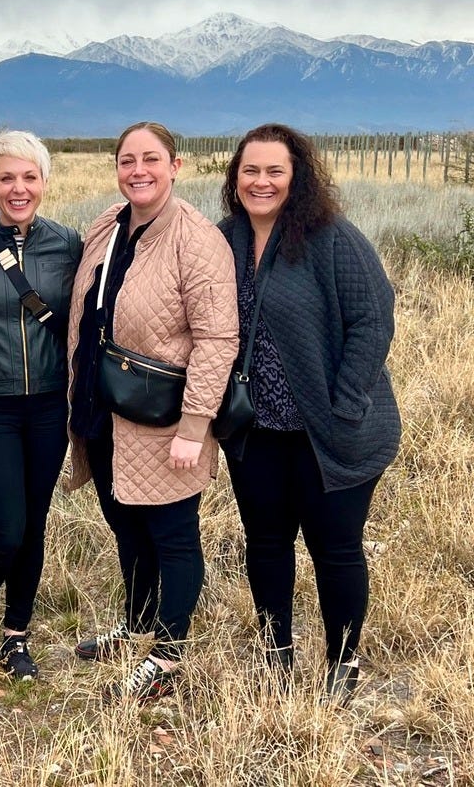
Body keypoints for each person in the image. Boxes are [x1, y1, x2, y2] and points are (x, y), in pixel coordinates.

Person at [217, 123, 401, 703]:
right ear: (235, 177)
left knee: (336, 547)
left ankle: (342, 662)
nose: (262, 181)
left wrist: (346, 402)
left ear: (297, 177)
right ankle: (277, 653)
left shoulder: (330, 238)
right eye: (251, 170)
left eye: (275, 170)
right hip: (257, 429)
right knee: (265, 543)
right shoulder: (223, 239)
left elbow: (374, 319)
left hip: (332, 431)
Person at [67, 121, 238, 703]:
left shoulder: (197, 239)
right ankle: (137, 622)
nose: (138, 170)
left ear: (176, 165)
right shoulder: (106, 227)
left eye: (151, 159)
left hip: (164, 419)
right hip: (102, 407)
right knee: (125, 524)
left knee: (173, 534)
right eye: (126, 160)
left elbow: (218, 339)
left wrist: (195, 427)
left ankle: (168, 652)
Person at [0, 131, 82, 679]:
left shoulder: (69, 244)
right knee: (5, 526)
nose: (18, 187)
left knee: (34, 525)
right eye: (7, 177)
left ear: (45, 183)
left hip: (50, 406)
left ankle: (15, 636)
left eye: (29, 176)